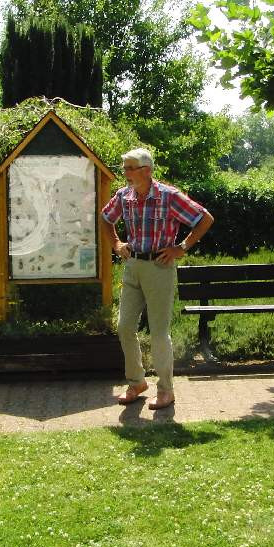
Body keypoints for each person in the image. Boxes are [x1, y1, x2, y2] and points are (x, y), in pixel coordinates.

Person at [101, 148, 214, 410]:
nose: (126, 174)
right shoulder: (124, 196)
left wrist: (181, 248)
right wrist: (116, 244)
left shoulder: (169, 196)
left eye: (131, 168)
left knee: (159, 332)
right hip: (132, 266)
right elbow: (105, 218)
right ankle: (137, 383)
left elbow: (205, 219)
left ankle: (166, 390)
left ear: (147, 170)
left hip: (159, 268)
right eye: (125, 168)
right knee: (125, 327)